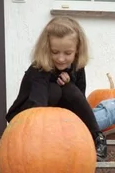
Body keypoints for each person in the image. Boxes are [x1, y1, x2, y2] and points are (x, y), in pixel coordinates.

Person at [6, 16, 108, 161]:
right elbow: (37, 105)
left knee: (69, 89)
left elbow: (79, 101)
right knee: (55, 90)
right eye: (55, 52)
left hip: (60, 120)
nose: (61, 58)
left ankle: (97, 137)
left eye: (67, 53)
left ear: (77, 51)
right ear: (47, 49)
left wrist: (70, 81)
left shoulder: (77, 67)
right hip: (28, 117)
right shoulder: (39, 69)